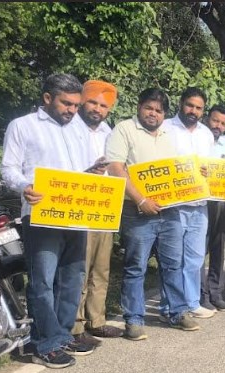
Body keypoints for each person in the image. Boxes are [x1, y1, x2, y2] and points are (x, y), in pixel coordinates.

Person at [1, 73, 98, 368]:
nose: (72, 110)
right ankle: (45, 344)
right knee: (42, 280)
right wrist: (24, 187)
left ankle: (62, 334)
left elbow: (80, 171)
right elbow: (8, 168)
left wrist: (94, 172)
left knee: (72, 277)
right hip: (41, 215)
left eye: (76, 105)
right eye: (66, 103)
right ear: (47, 98)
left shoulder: (78, 129)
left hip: (76, 215)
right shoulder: (23, 126)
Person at [106, 88, 200, 340]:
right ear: (139, 106)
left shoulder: (170, 134)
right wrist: (141, 200)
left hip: (170, 211)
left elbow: (177, 169)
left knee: (173, 264)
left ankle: (177, 312)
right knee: (136, 266)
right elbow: (115, 168)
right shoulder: (124, 129)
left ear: (164, 114)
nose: (153, 113)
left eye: (159, 110)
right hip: (136, 210)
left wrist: (196, 174)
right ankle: (134, 320)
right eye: (149, 108)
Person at [71, 80, 124, 345]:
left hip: (105, 207)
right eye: (92, 102)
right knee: (79, 268)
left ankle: (97, 320)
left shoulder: (109, 132)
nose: (97, 109)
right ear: (82, 101)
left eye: (103, 106)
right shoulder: (69, 129)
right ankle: (75, 325)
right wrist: (87, 173)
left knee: (101, 267)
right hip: (78, 206)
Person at [161, 87, 216, 319]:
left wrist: (209, 171)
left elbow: (212, 167)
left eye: (198, 108)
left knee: (195, 258)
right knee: (172, 259)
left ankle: (192, 302)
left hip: (199, 206)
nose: (193, 111)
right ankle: (167, 306)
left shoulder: (206, 134)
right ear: (181, 103)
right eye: (190, 105)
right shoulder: (165, 128)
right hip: (174, 206)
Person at [200, 104, 225, 312]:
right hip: (200, 202)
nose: (218, 126)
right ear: (207, 119)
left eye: (223, 123)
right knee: (199, 249)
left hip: (221, 203)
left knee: (217, 248)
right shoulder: (198, 139)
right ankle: (200, 295)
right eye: (215, 121)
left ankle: (215, 293)